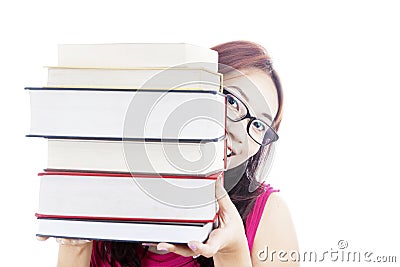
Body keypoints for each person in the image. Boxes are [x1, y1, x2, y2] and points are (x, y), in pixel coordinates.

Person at [41, 40, 299, 267]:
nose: (240, 135)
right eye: (232, 101)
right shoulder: (111, 189)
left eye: (259, 125)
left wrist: (233, 252)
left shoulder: (268, 215)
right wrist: (73, 237)